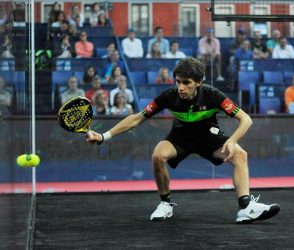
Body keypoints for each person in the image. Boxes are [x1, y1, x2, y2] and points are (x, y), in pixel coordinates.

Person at [85, 57, 280, 223]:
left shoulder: (213, 95)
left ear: (198, 82)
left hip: (209, 138)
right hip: (180, 138)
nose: (180, 87)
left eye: (186, 82)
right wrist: (103, 136)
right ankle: (165, 204)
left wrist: (232, 140)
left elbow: (246, 119)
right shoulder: (169, 96)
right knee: (158, 156)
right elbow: (137, 118)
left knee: (239, 154)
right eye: (178, 81)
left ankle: (245, 208)